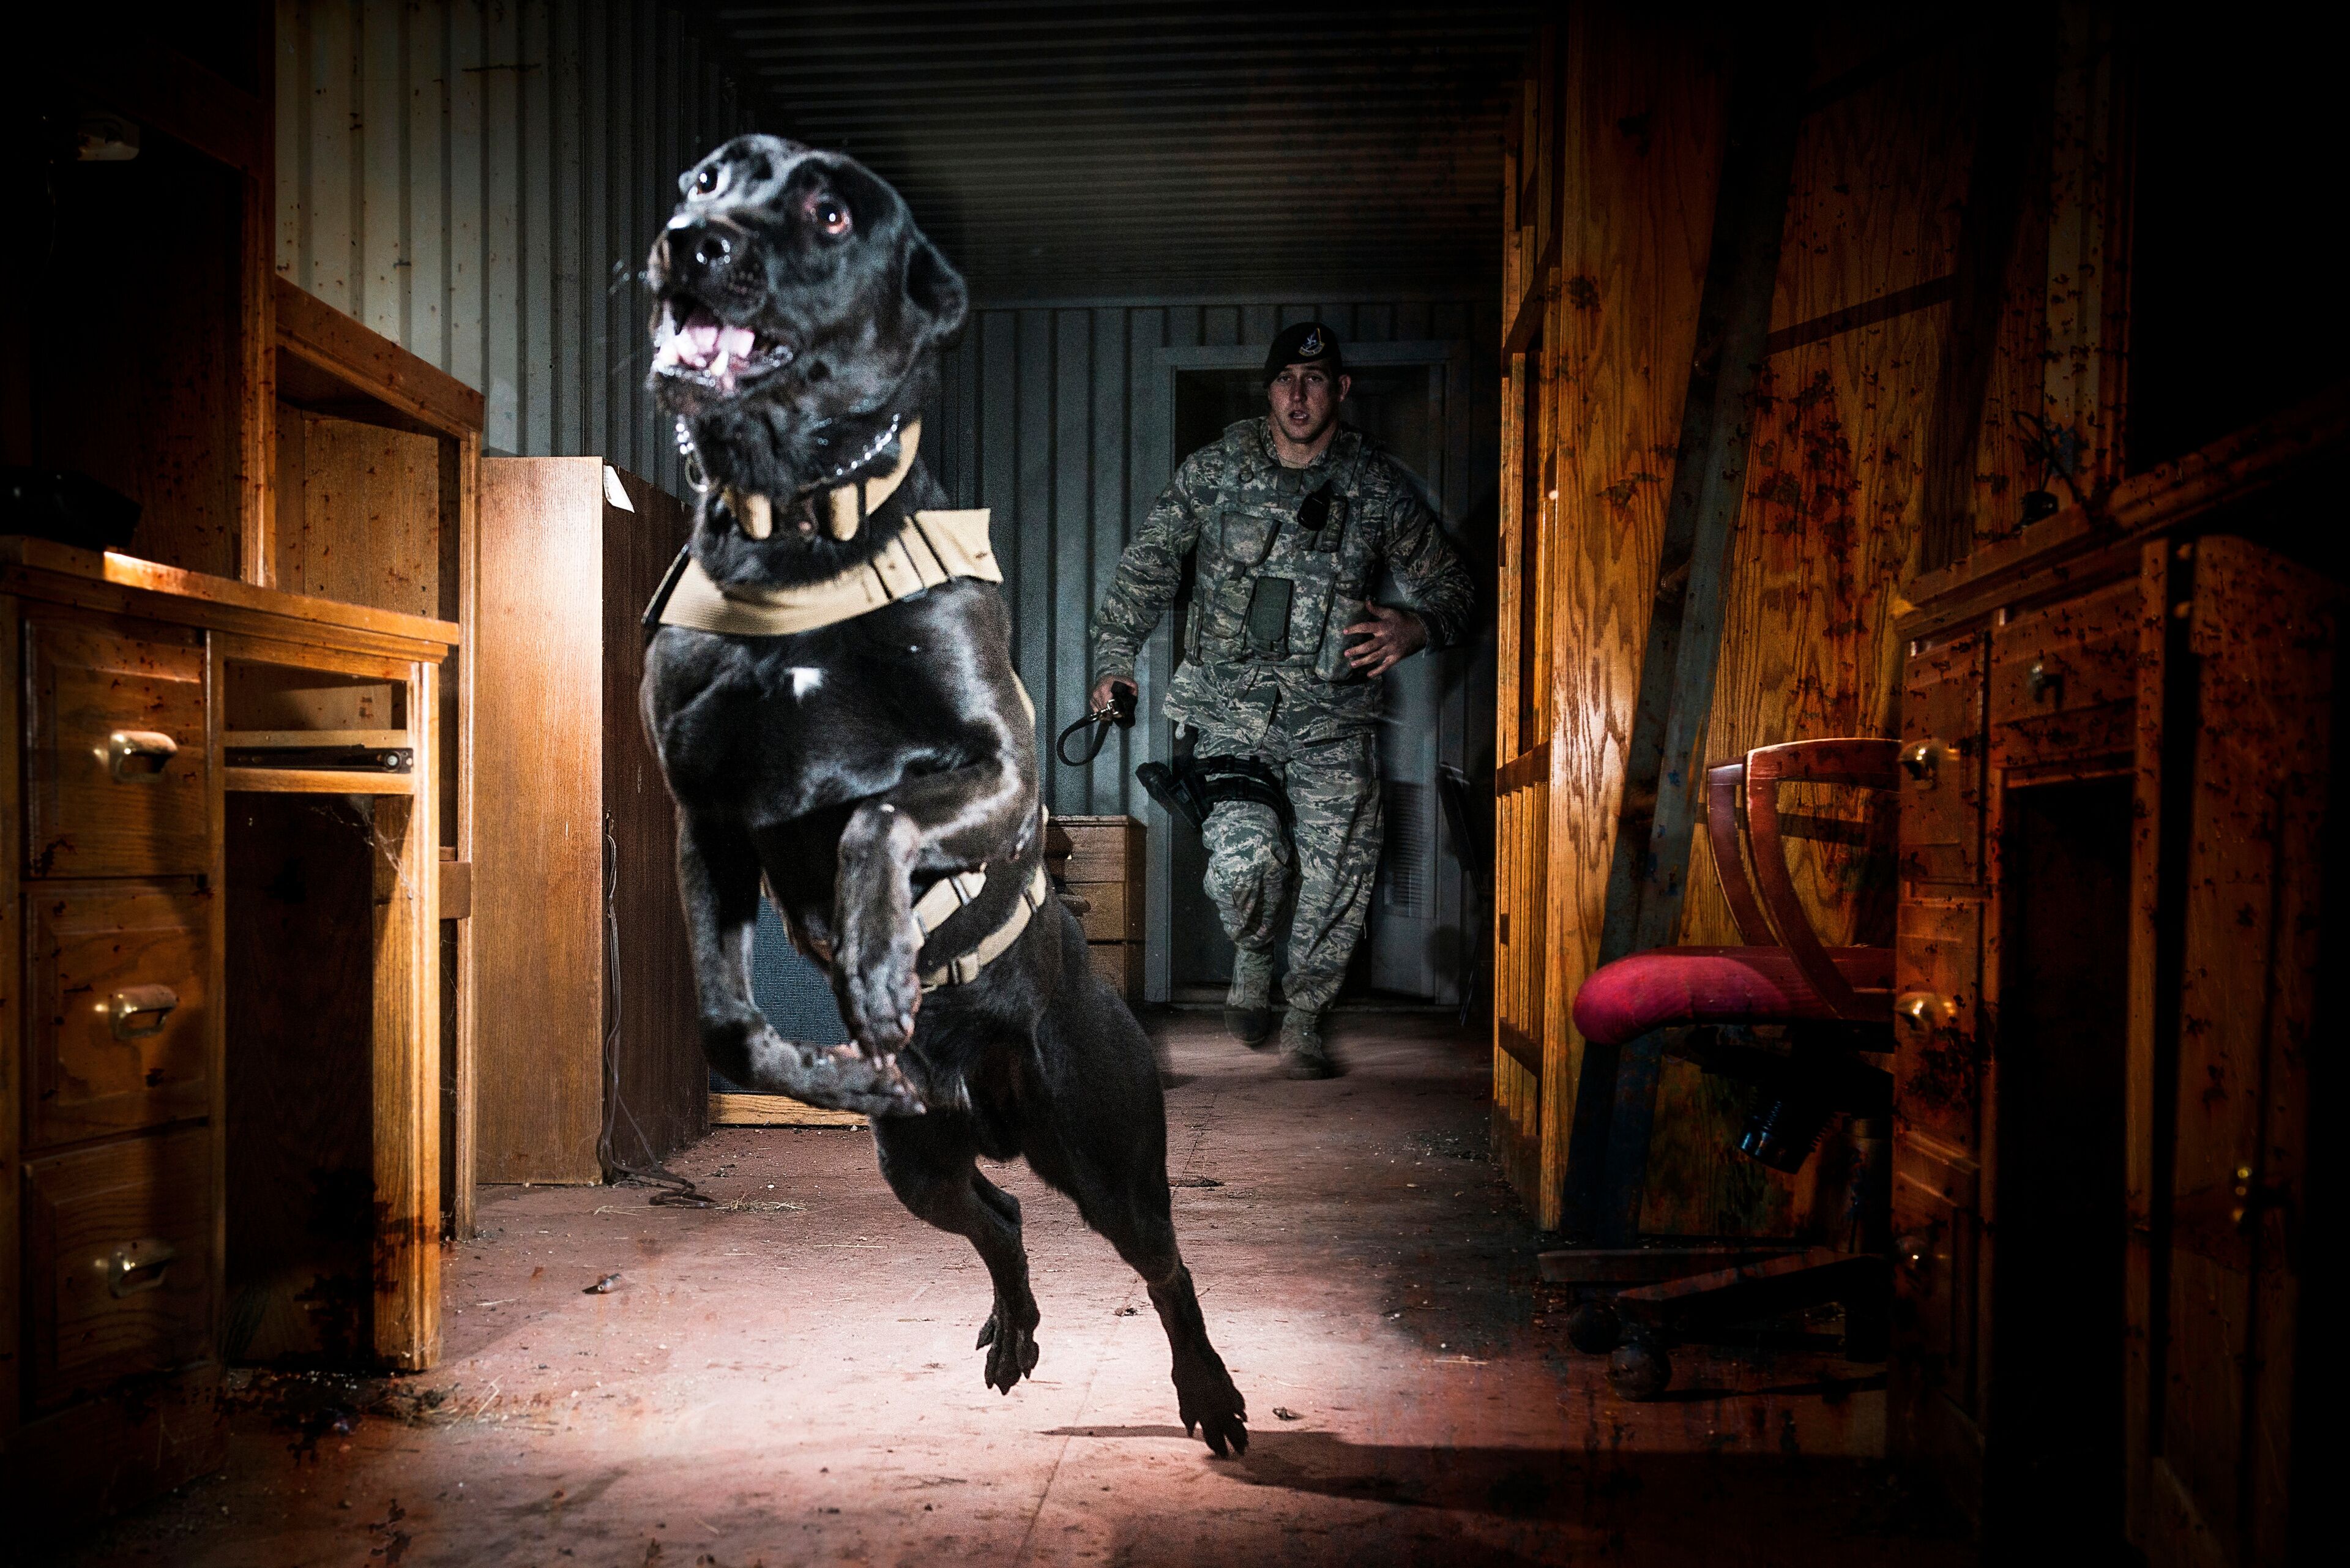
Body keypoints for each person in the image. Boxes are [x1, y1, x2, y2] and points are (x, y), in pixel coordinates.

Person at [1088, 322, 1474, 1078]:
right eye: (1286, 381)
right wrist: (1113, 663)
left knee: (1341, 871)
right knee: (1245, 864)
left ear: (1341, 390)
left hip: (1334, 718)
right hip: (1232, 714)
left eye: (1316, 380)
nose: (1299, 396)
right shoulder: (1215, 472)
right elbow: (1146, 569)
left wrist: (1417, 625)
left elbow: (1455, 590)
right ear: (1268, 390)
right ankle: (1255, 951)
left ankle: (1304, 1016)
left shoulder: (1375, 486)